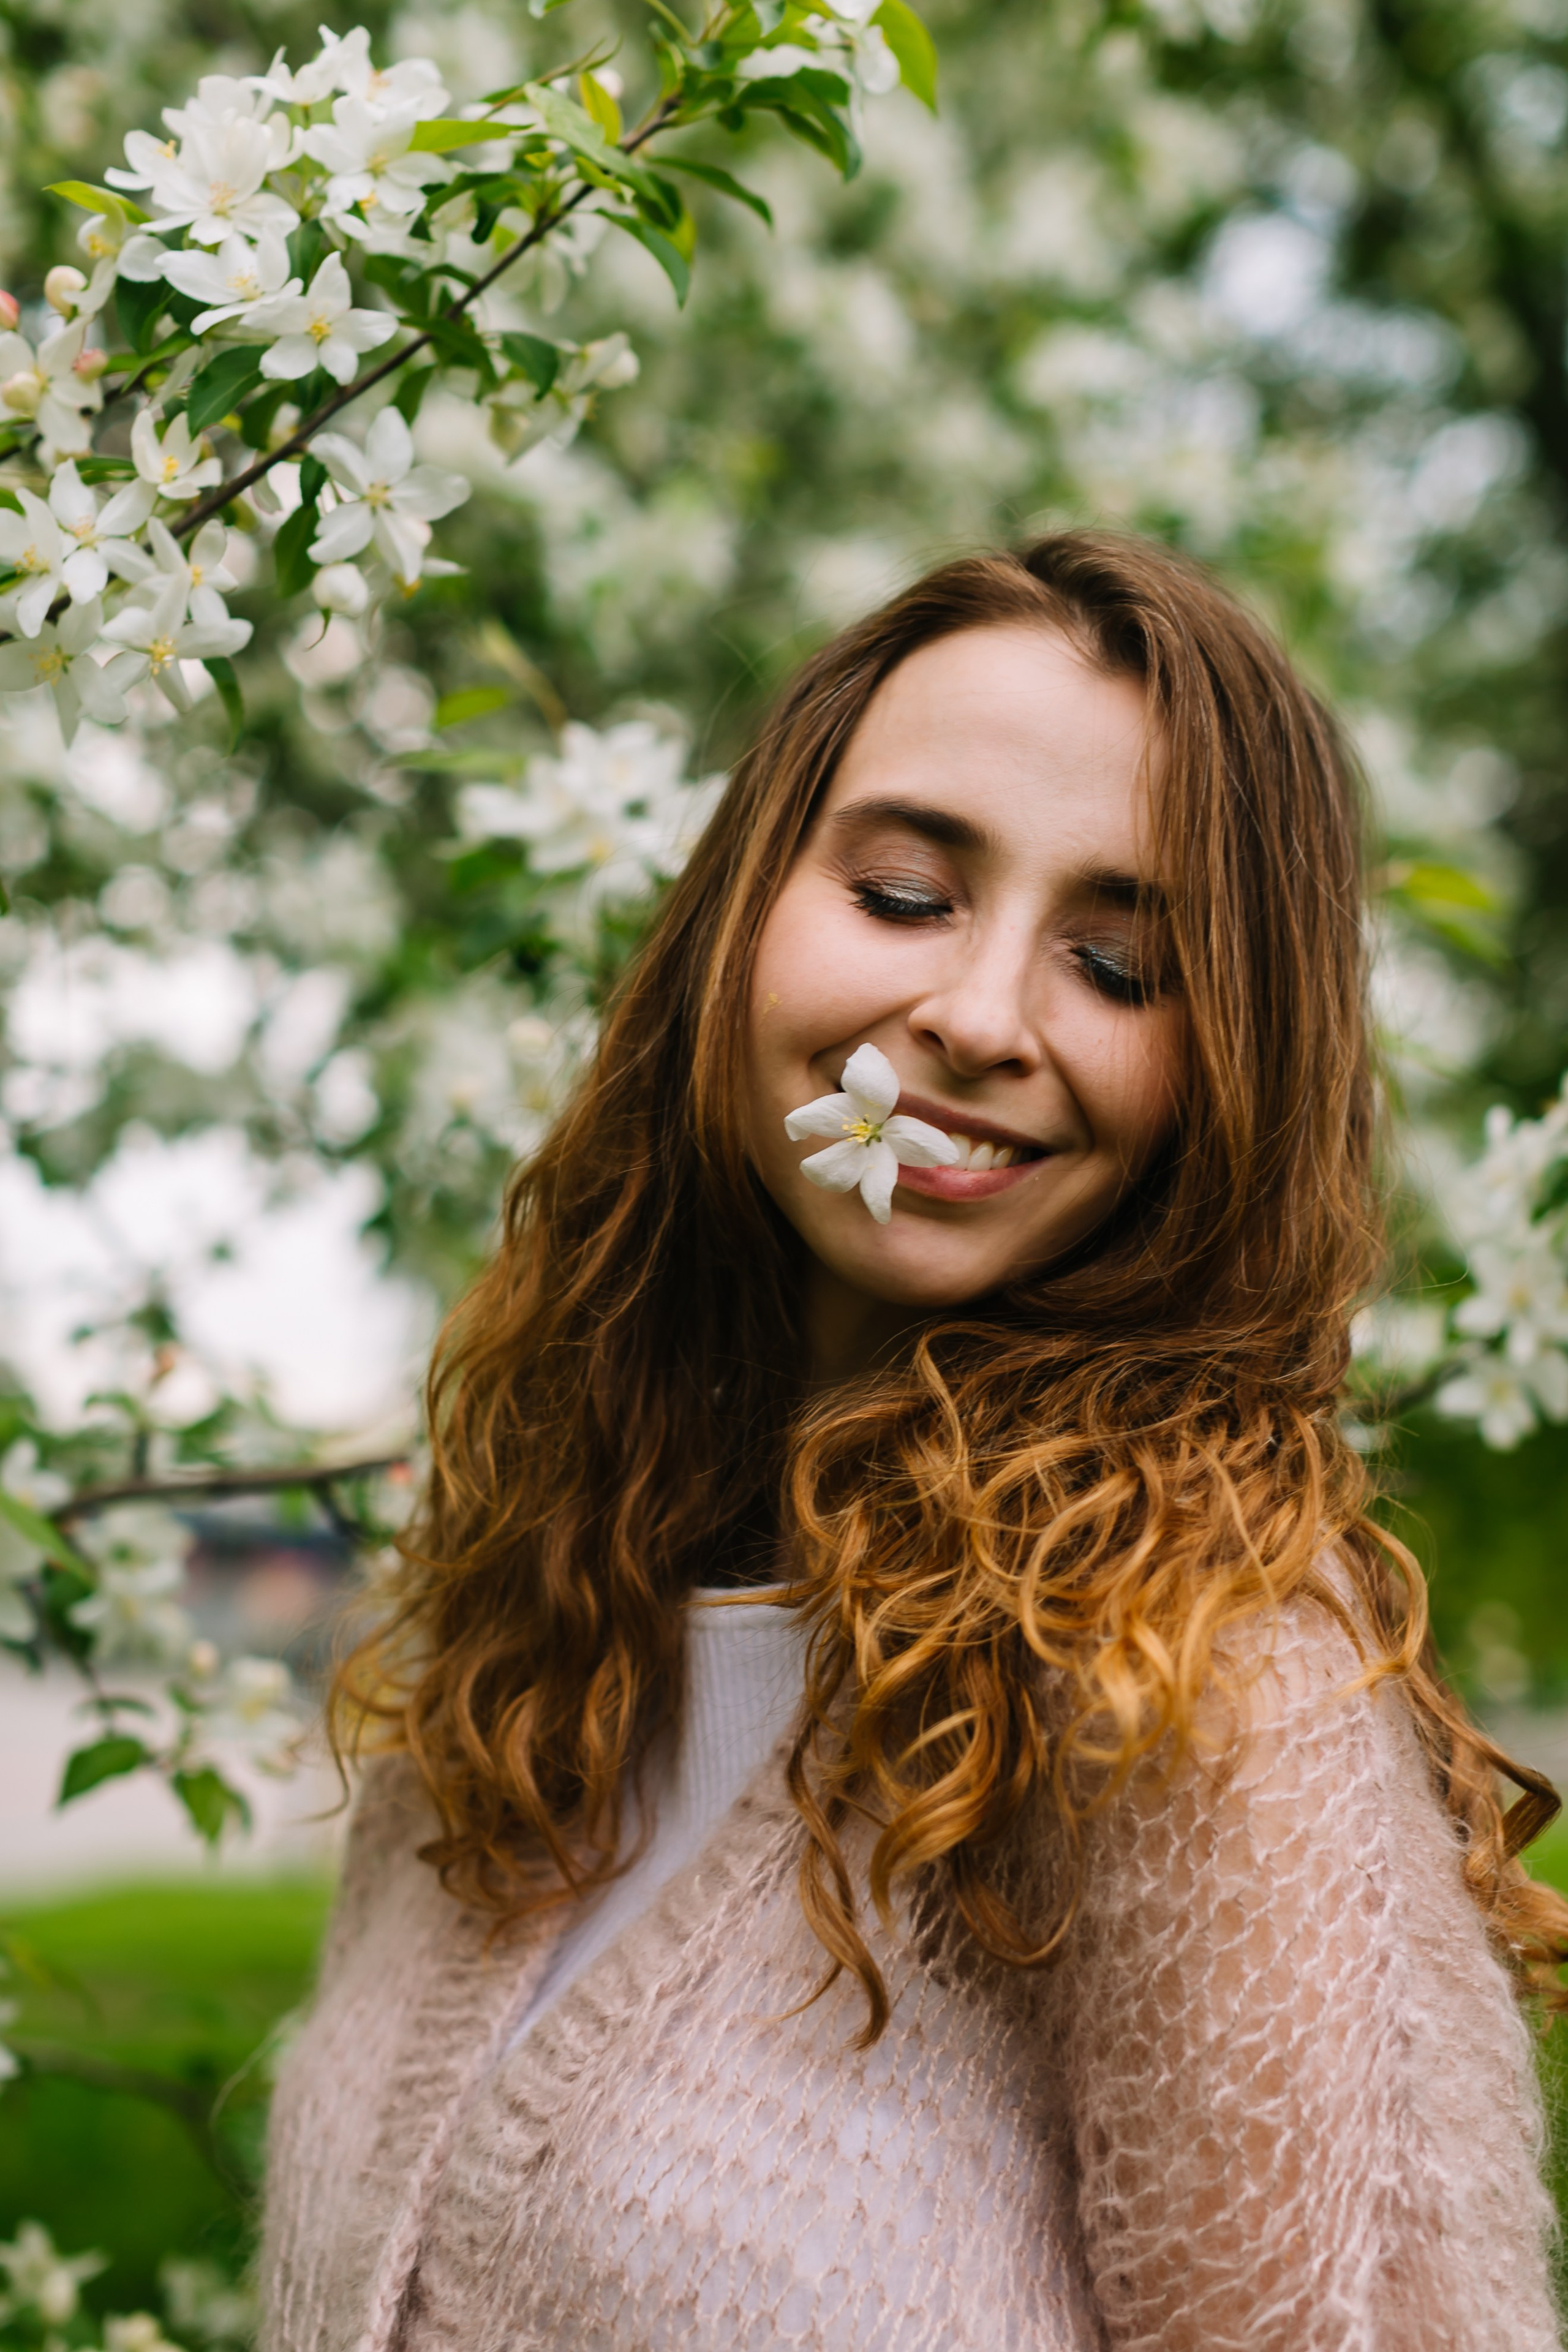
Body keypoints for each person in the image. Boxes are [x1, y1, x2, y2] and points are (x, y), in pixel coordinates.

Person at [260, 534, 1568, 2351]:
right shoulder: (532, 1608)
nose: (972, 1018)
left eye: (1117, 965)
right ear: (741, 916)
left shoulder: (1204, 1692)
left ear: (1231, 1073)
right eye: (899, 895)